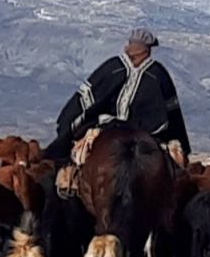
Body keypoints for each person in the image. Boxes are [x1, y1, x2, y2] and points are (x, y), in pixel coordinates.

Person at [46, 28, 191, 165]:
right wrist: (69, 120)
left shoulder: (157, 75)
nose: (127, 47)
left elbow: (171, 113)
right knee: (78, 152)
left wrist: (179, 143)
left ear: (142, 49)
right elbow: (89, 96)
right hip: (108, 124)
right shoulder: (114, 67)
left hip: (145, 131)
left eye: (131, 43)